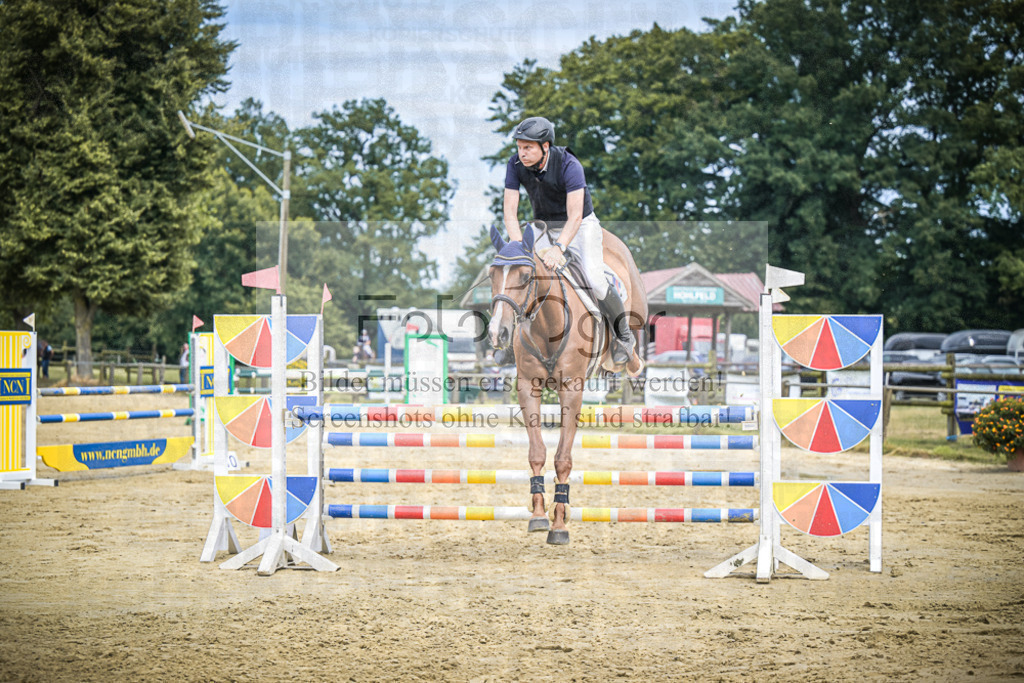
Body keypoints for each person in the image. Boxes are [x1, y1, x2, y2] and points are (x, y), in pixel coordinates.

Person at [502, 116, 633, 365]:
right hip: (542, 227)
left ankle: (623, 335)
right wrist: (518, 244)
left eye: (527, 147)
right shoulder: (515, 164)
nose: (522, 152)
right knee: (520, 274)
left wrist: (559, 248)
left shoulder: (569, 164)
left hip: (581, 225)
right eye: (519, 146)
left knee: (594, 279)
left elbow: (574, 216)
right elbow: (510, 212)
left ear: (545, 146)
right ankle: (511, 342)